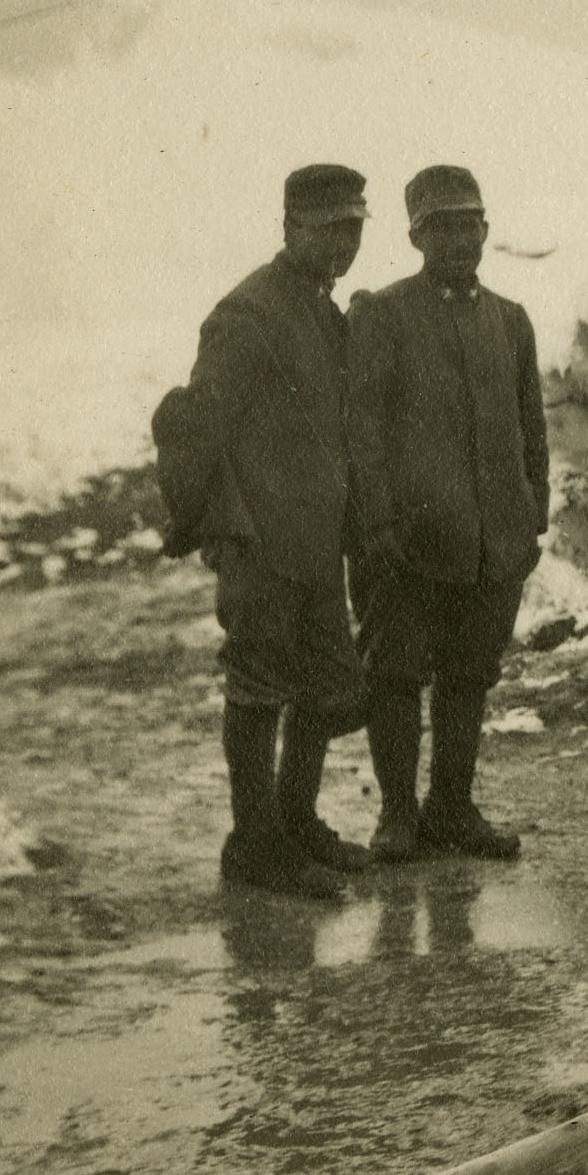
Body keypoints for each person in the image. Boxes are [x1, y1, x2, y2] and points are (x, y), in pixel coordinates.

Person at [163, 164, 375, 900]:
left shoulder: (322, 310)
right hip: (259, 536)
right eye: (328, 229)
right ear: (289, 228)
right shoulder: (246, 314)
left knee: (324, 685)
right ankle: (254, 844)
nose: (343, 244)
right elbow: (199, 423)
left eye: (353, 229)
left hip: (315, 537)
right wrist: (211, 527)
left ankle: (294, 821)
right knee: (258, 685)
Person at [345, 165, 546, 861]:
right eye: (442, 226)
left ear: (486, 230)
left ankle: (451, 809)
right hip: (408, 543)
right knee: (396, 674)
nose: (459, 238)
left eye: (470, 223)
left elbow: (530, 428)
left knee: (469, 676)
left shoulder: (510, 321)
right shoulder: (383, 313)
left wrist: (532, 515)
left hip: (493, 544)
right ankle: (398, 815)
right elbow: (362, 430)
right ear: (415, 236)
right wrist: (376, 528)